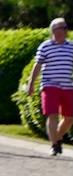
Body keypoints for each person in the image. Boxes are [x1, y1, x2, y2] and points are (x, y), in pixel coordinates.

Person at [26, 18, 73, 157]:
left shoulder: (71, 47)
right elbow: (38, 65)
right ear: (55, 30)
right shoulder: (45, 46)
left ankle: (57, 137)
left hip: (67, 86)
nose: (66, 30)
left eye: (66, 28)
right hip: (49, 85)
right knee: (52, 115)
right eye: (63, 28)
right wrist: (31, 84)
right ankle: (54, 145)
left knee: (69, 117)